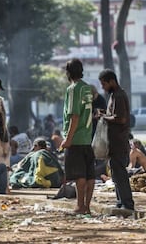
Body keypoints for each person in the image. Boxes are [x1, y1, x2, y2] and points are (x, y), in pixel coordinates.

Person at [61, 59, 95, 215]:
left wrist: (67, 139)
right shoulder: (87, 88)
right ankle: (87, 206)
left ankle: (80, 206)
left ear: (68, 72)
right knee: (89, 175)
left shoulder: (73, 89)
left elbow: (74, 116)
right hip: (87, 138)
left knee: (79, 176)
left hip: (76, 139)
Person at [98, 69, 134, 211]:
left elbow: (121, 118)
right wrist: (105, 114)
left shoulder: (119, 96)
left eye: (104, 84)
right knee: (116, 174)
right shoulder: (114, 95)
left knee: (120, 174)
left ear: (111, 81)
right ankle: (120, 202)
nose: (103, 87)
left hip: (119, 143)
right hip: (114, 143)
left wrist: (104, 117)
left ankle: (127, 203)